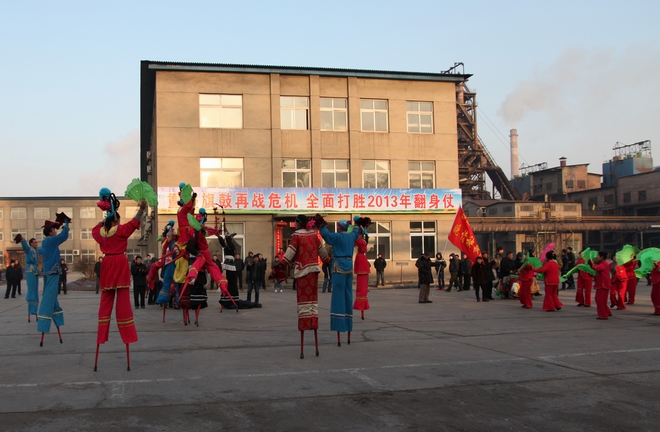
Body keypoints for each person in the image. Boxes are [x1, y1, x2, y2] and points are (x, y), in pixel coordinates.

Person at [92, 189, 145, 370]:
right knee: (123, 304)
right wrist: (141, 209)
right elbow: (134, 223)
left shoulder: (100, 233)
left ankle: (101, 336)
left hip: (107, 265)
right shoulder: (120, 231)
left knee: (105, 302)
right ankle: (128, 336)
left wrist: (105, 220)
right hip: (120, 264)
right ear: (116, 221)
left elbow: (94, 230)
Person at [277, 214, 330, 358]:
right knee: (313, 302)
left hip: (302, 273)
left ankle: (303, 336)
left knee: (303, 304)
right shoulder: (314, 235)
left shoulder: (297, 236)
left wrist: (281, 264)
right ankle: (314, 327)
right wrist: (327, 260)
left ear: (298, 223)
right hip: (314, 272)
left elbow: (290, 252)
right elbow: (324, 254)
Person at [319, 216, 363, 346]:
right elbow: (357, 229)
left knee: (338, 298)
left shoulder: (337, 237)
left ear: (340, 227)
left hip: (339, 266)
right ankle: (348, 327)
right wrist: (357, 223)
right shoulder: (351, 236)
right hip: (349, 266)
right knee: (348, 296)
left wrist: (321, 225)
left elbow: (326, 235)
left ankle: (339, 326)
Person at [37, 216, 70, 346]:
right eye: (54, 230)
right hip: (52, 272)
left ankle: (55, 319)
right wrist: (66, 224)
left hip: (48, 271)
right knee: (49, 299)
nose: (55, 231)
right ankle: (43, 323)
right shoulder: (51, 240)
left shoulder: (46, 242)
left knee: (51, 297)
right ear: (50, 232)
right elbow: (63, 236)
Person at [18, 236, 42, 321]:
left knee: (35, 290)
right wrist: (23, 240)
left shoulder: (37, 250)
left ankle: (35, 308)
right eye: (34, 242)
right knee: (31, 289)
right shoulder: (29, 250)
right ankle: (31, 306)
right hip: (30, 270)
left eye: (36, 242)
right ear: (31, 243)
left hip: (35, 270)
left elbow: (44, 249)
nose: (36, 243)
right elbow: (25, 246)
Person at [353, 231, 371, 317]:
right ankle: (361, 305)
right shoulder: (360, 241)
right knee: (362, 284)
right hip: (361, 259)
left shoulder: (360, 241)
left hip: (361, 259)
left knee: (363, 284)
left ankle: (362, 305)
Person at [591, 252, 613, 320]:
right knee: (599, 299)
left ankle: (603, 315)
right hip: (601, 284)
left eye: (598, 256)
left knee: (601, 300)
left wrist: (591, 264)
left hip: (603, 285)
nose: (597, 257)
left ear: (602, 257)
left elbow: (597, 268)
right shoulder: (602, 263)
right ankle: (607, 312)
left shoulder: (604, 263)